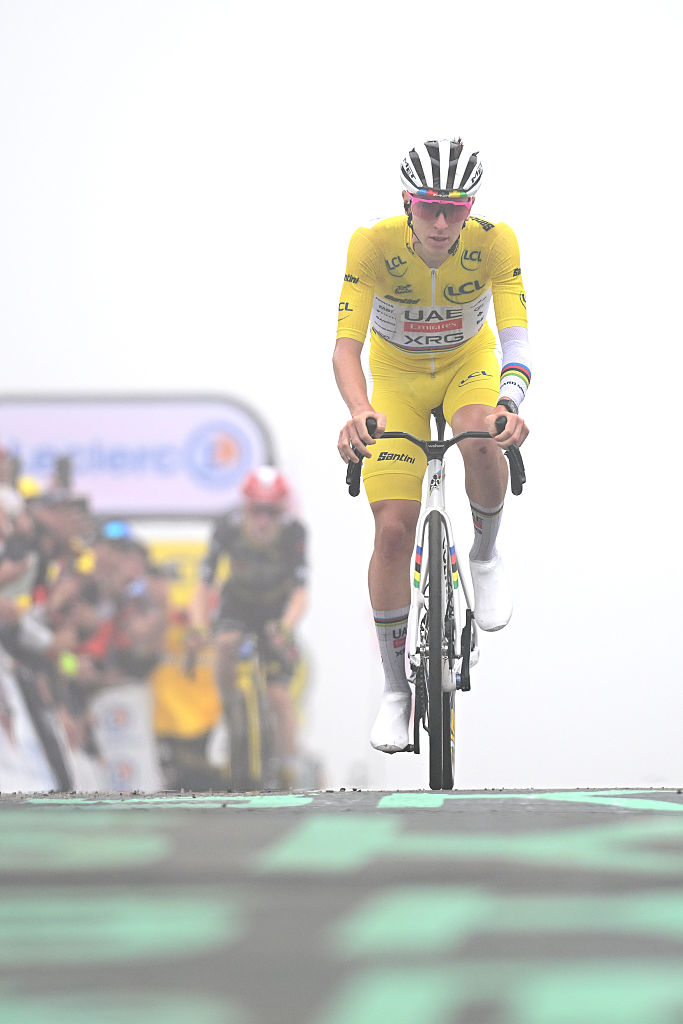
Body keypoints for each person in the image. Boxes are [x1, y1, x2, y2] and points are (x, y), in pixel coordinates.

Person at [334, 137, 531, 754]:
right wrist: (361, 411)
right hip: (395, 382)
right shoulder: (372, 245)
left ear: (470, 206)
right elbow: (346, 346)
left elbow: (515, 335)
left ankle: (487, 552)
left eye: (455, 208)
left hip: (466, 365)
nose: (443, 222)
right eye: (428, 208)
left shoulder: (496, 243)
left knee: (479, 430)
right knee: (393, 530)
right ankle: (397, 690)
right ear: (407, 203)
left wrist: (512, 404)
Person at [191, 466, 308, 788]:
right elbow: (204, 584)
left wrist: (285, 627)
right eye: (256, 510)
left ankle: (287, 766)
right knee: (225, 644)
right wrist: (200, 627)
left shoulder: (294, 531)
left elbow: (300, 592)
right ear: (245, 508)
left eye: (272, 512)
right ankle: (229, 710)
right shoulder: (227, 526)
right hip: (238, 604)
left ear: (282, 511)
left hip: (275, 609)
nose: (263, 520)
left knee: (279, 696)